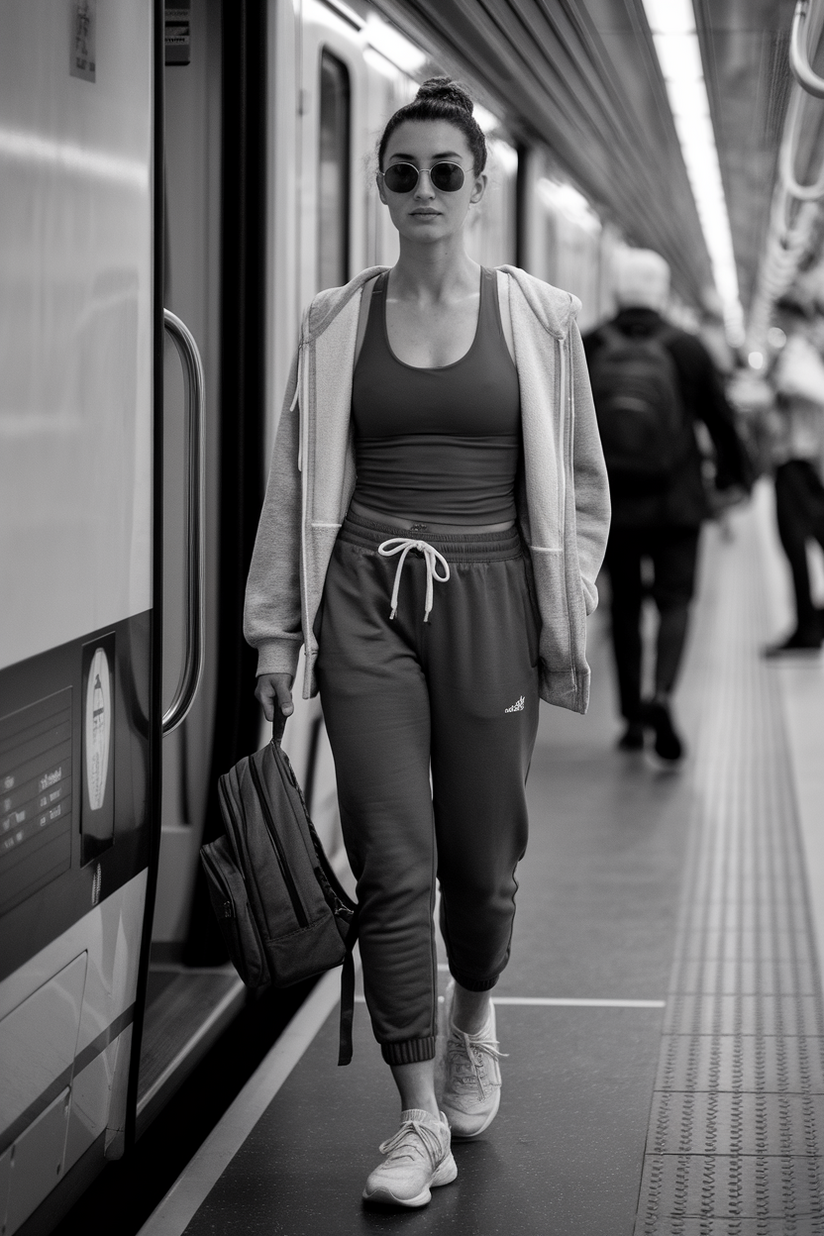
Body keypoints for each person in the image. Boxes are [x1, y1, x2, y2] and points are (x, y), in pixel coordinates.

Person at [243, 78, 610, 1209]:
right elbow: (292, 485)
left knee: (481, 867)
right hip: (365, 598)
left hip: (494, 599)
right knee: (390, 859)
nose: (421, 191)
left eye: (444, 172)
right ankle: (416, 1120)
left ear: (478, 186)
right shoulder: (332, 318)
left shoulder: (540, 317)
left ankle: (476, 1015)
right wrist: (273, 638)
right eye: (400, 174)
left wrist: (568, 599)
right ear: (379, 187)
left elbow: (583, 487)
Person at [584, 248, 750, 761]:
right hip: (677, 501)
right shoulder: (689, 349)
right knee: (675, 602)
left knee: (626, 607)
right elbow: (721, 422)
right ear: (662, 293)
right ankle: (662, 695)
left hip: (614, 503)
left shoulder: (589, 343)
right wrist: (733, 478)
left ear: (615, 290)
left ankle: (632, 716)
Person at [763, 296, 824, 655]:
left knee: (795, 545)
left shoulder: (799, 351)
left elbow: (811, 388)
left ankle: (807, 628)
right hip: (798, 462)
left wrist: (784, 383)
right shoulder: (802, 349)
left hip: (798, 463)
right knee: (797, 545)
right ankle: (807, 625)